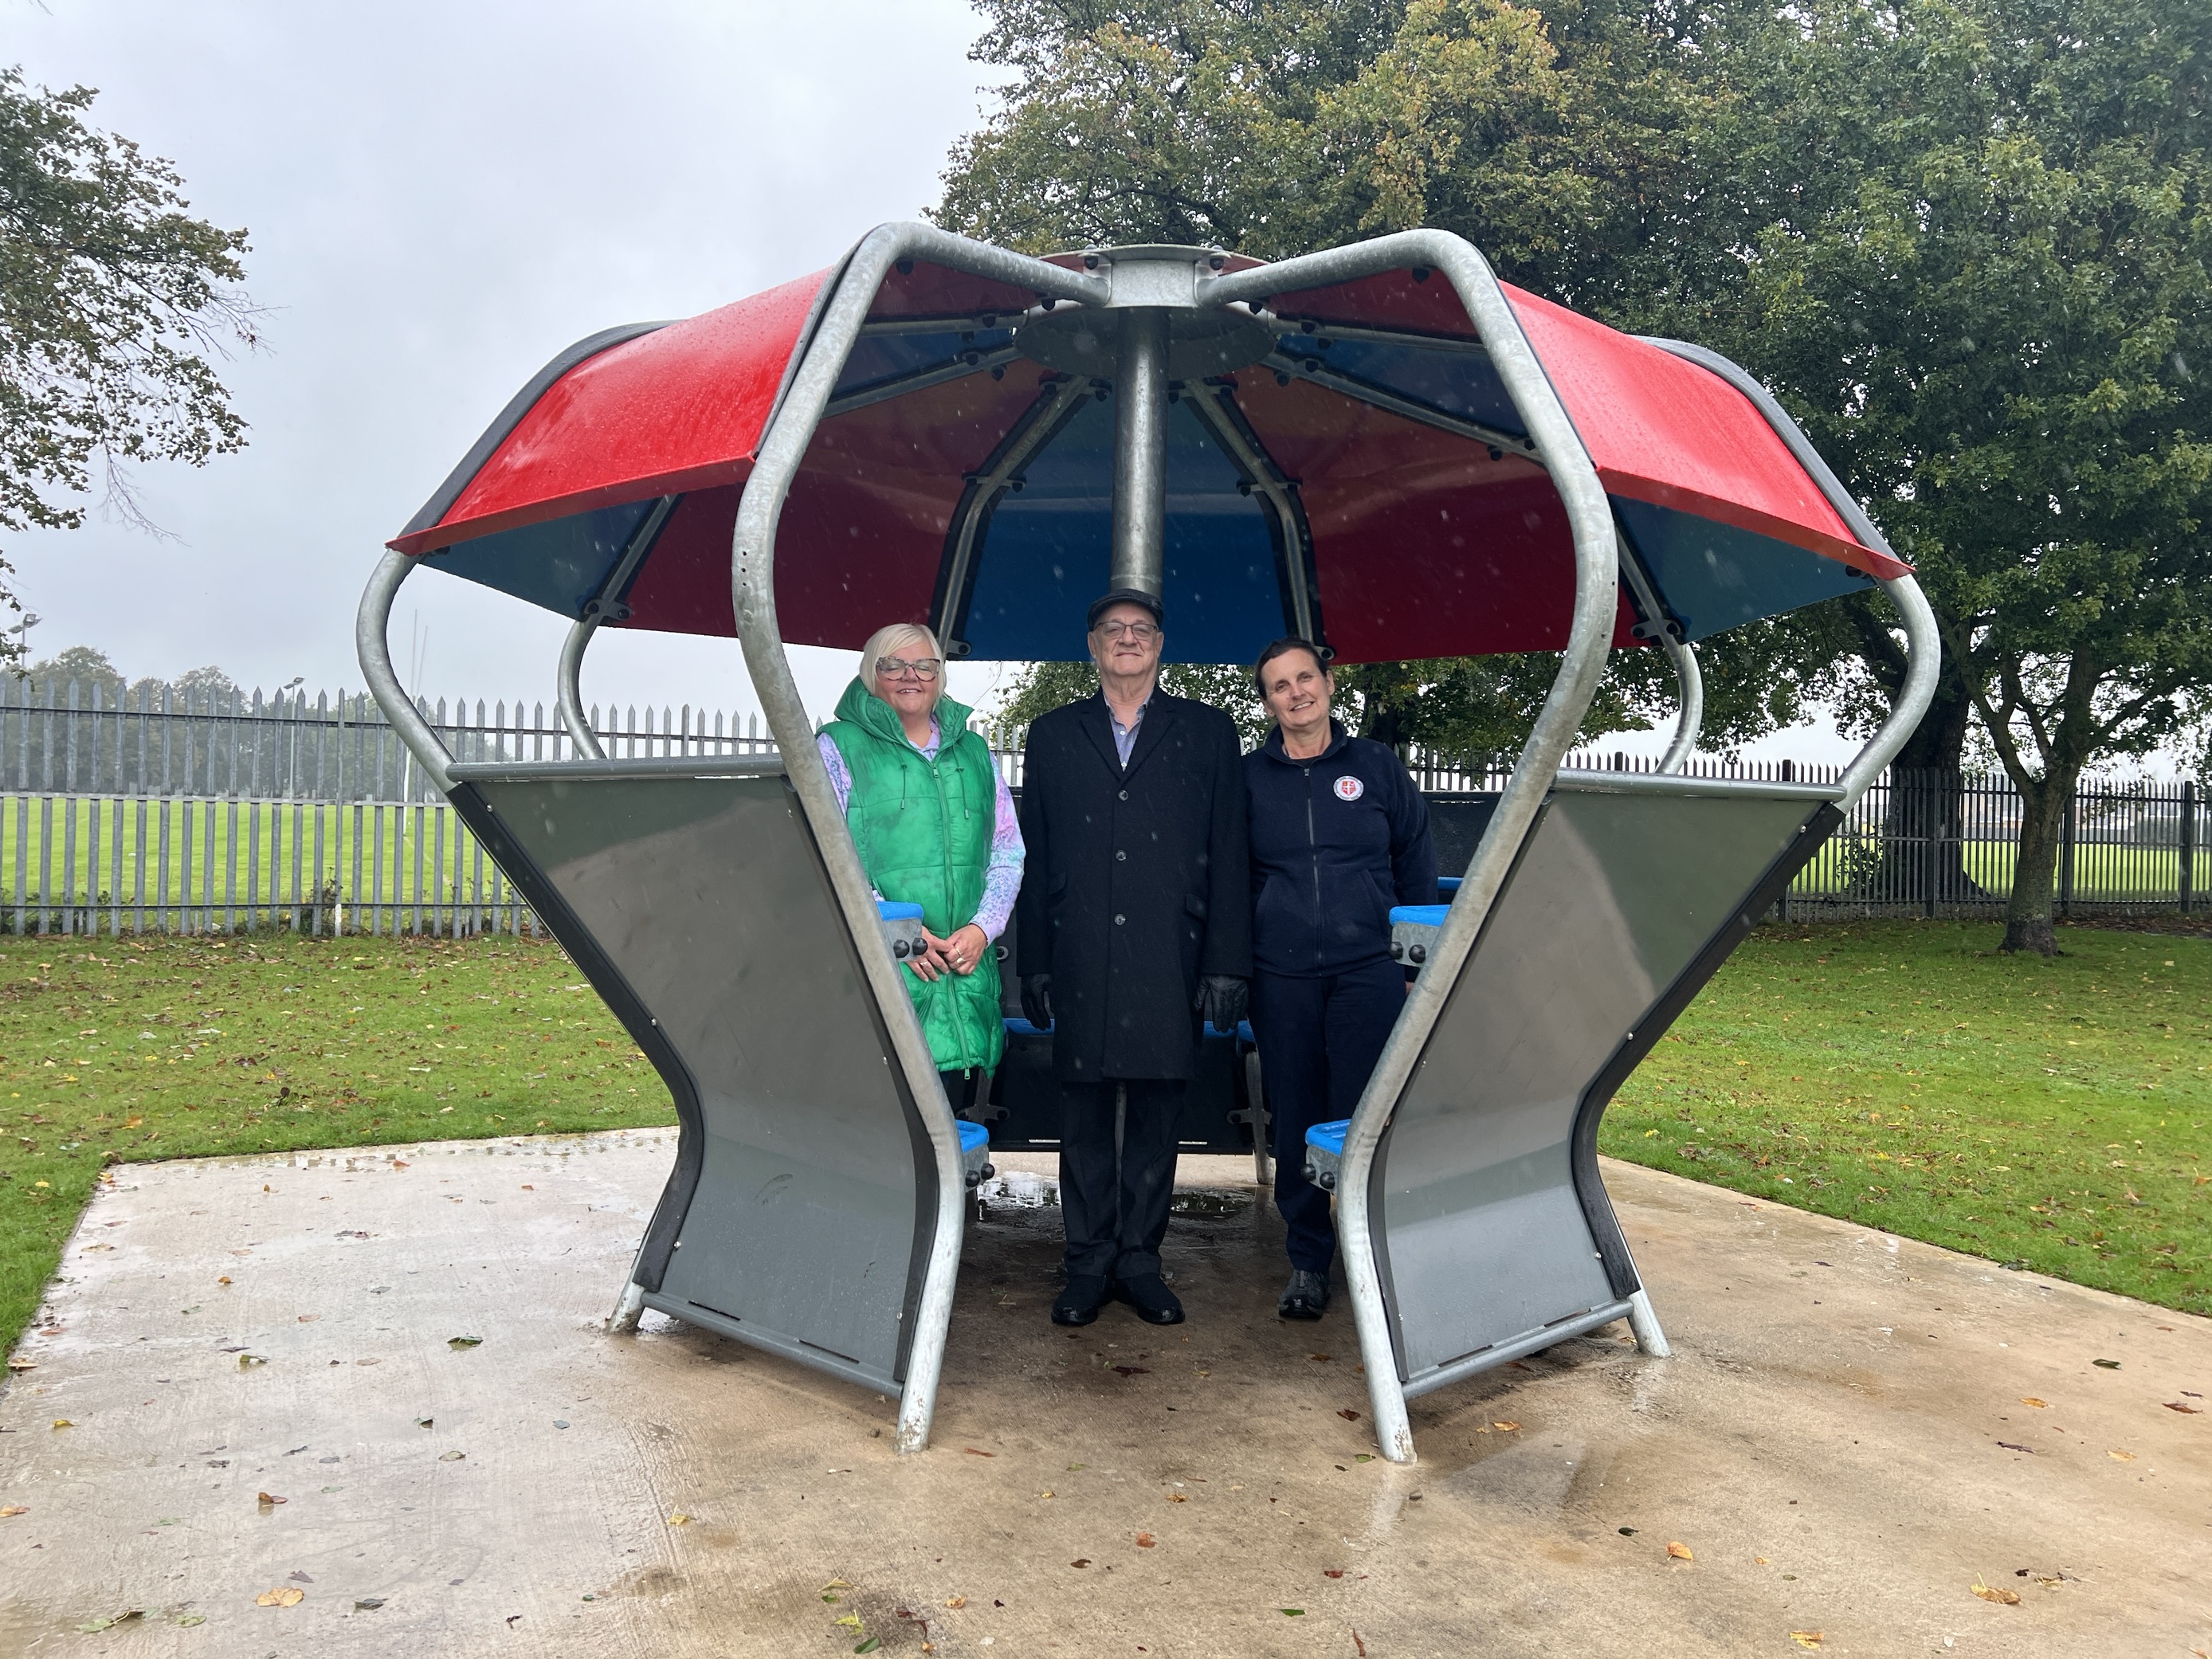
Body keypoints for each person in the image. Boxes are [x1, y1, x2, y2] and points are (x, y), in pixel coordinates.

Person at [1016, 590, 1252, 1328]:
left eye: (1141, 630)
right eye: (1113, 630)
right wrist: (1035, 961)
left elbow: (1231, 855)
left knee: (1157, 1114)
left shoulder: (1211, 733)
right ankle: (1086, 1263)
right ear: (1091, 645)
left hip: (1170, 952)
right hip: (1080, 947)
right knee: (1083, 1114)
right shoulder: (1053, 733)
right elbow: (1036, 849)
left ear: (1159, 645)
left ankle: (1141, 1261)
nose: (1127, 639)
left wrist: (1227, 962)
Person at [1243, 637, 1436, 1320]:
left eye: (1305, 678)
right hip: (1282, 975)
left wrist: (1415, 963)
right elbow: (1235, 879)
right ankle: (1306, 1259)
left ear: (1328, 682)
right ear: (1266, 701)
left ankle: (1373, 1250)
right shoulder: (1250, 778)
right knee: (1296, 1111)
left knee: (1367, 1114)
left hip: (1370, 972)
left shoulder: (1375, 766)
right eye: (1278, 686)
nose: (1296, 693)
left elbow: (1415, 861)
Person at [819, 622, 1023, 1115]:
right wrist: (897, 930)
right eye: (894, 664)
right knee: (880, 1134)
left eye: (924, 665)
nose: (910, 675)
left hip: (962, 971)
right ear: (873, 673)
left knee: (951, 1132)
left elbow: (1007, 851)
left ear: (940, 675)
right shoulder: (837, 748)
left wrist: (981, 929)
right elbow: (824, 851)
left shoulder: (974, 753)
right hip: (880, 973)